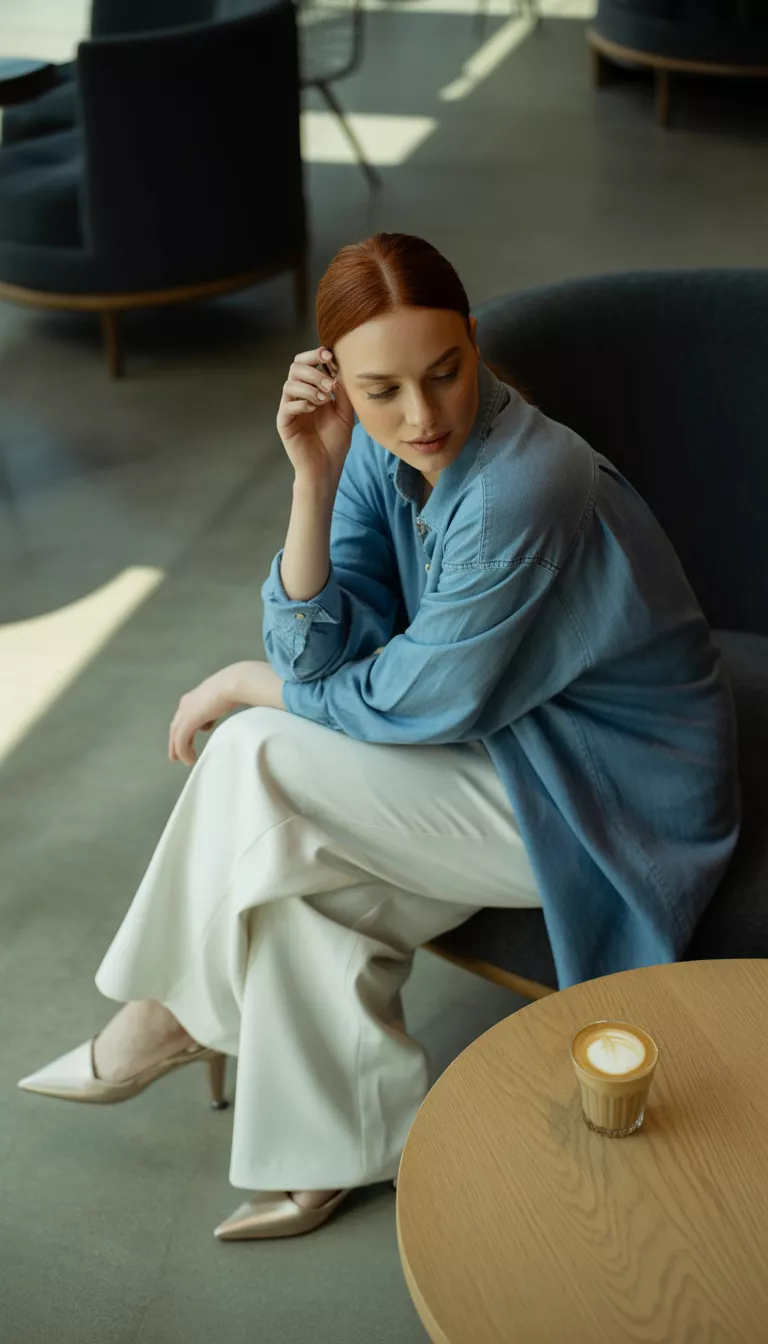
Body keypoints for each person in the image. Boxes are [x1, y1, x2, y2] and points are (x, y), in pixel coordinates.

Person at [18, 232, 740, 1241]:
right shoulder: (367, 438)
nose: (421, 416)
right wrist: (312, 481)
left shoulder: (526, 485)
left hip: (603, 787)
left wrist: (242, 681)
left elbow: (414, 702)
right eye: (381, 389)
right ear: (336, 382)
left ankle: (174, 1013)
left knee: (254, 751)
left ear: (474, 343)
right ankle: (339, 1146)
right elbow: (323, 655)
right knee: (299, 875)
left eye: (445, 373)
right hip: (497, 743)